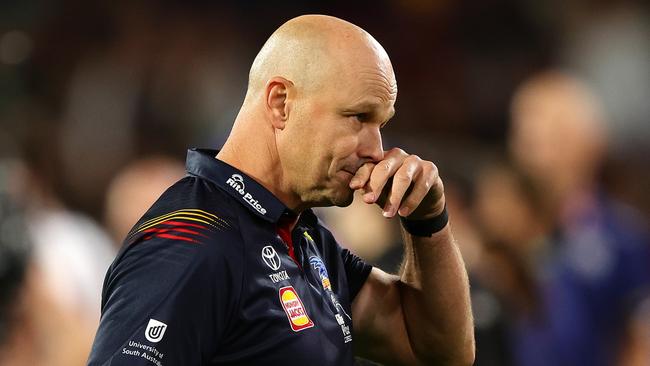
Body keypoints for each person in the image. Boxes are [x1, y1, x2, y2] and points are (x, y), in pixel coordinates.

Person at [87, 14, 474, 366]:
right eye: (358, 116)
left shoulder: (301, 236)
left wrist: (428, 222)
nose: (375, 148)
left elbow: (437, 351)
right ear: (280, 103)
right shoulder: (192, 241)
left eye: (380, 123)